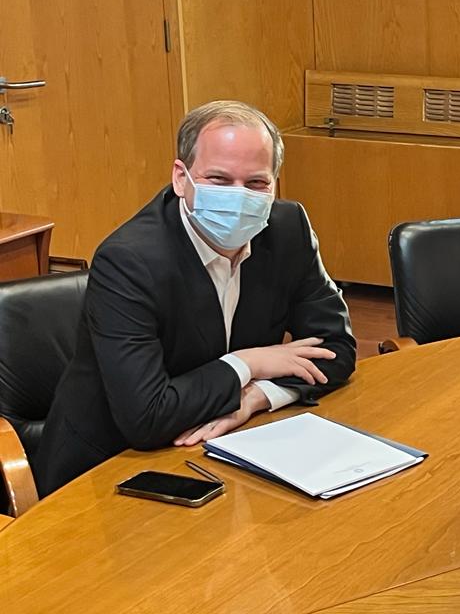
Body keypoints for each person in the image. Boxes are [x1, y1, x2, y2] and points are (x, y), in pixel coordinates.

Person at [35, 101, 357, 495]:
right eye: (218, 179)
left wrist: (256, 397)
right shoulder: (128, 261)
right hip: (109, 472)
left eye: (256, 183)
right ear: (180, 177)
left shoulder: (288, 229)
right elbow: (147, 417)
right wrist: (249, 363)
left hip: (228, 450)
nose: (239, 197)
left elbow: (336, 349)